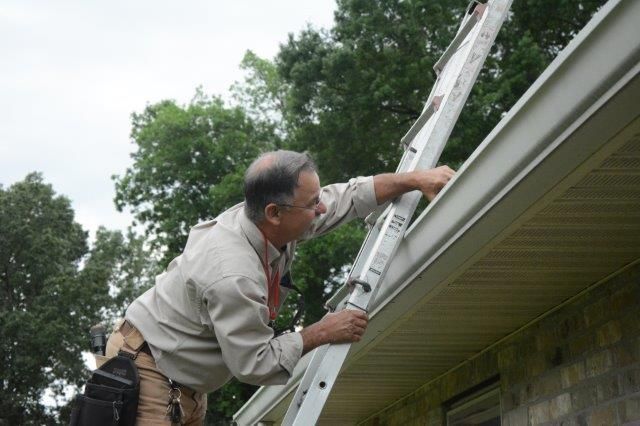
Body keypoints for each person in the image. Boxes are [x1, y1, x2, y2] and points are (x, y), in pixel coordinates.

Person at [105, 150, 454, 424]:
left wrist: (415, 179)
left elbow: (346, 197)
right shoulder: (233, 274)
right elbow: (253, 363)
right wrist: (320, 332)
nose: (321, 208)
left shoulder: (274, 222)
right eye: (311, 203)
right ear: (274, 212)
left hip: (186, 377)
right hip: (151, 368)